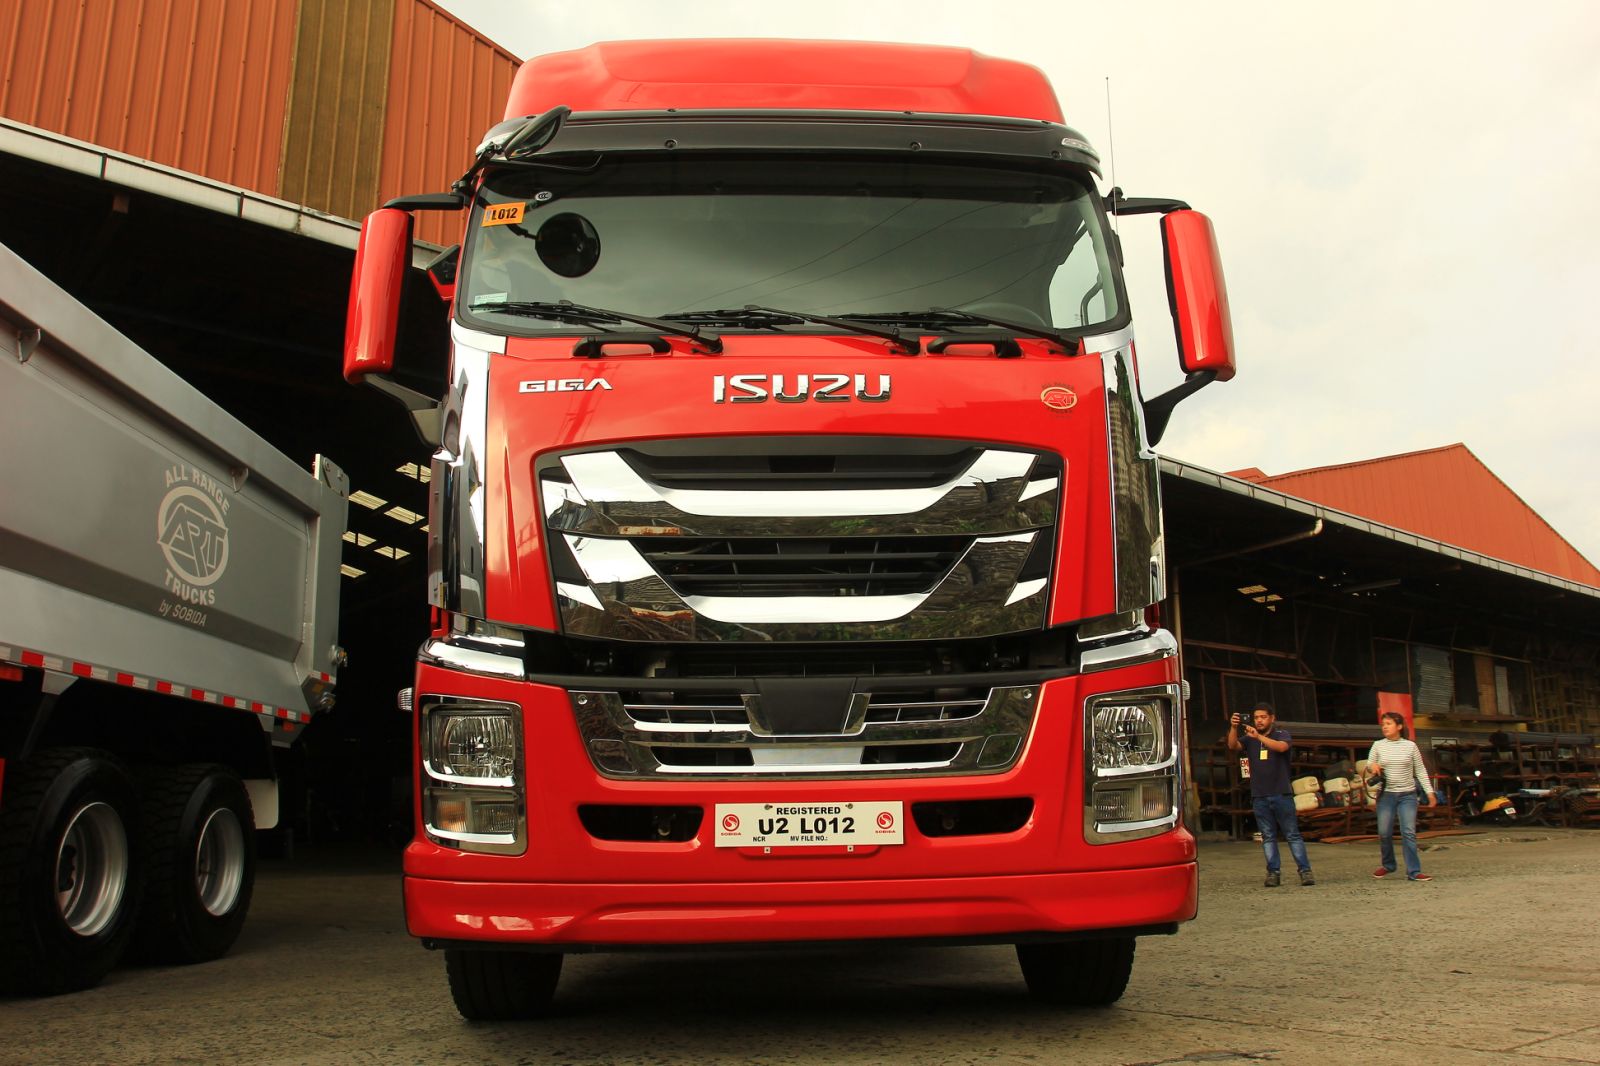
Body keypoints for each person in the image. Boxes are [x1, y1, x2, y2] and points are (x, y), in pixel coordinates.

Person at [1227, 702, 1314, 887]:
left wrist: (1258, 736)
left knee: (1292, 834)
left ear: (1272, 718)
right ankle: (1273, 873)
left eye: (1263, 717)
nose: (1259, 720)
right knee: (1268, 836)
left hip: (1281, 793)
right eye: (1256, 717)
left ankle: (1305, 871)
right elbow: (1232, 745)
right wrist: (1233, 727)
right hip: (1260, 795)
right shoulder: (1249, 739)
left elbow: (1281, 747)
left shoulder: (1281, 734)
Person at [1366, 711, 1437, 882]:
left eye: (1388, 724)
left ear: (1399, 726)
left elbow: (1420, 770)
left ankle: (1414, 871)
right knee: (1384, 832)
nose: (1385, 727)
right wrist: (1372, 766)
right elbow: (1369, 764)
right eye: (1383, 724)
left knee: (1408, 832)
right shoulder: (1378, 745)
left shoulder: (1410, 746)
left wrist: (1430, 792)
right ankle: (1388, 865)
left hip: (1407, 795)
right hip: (1386, 795)